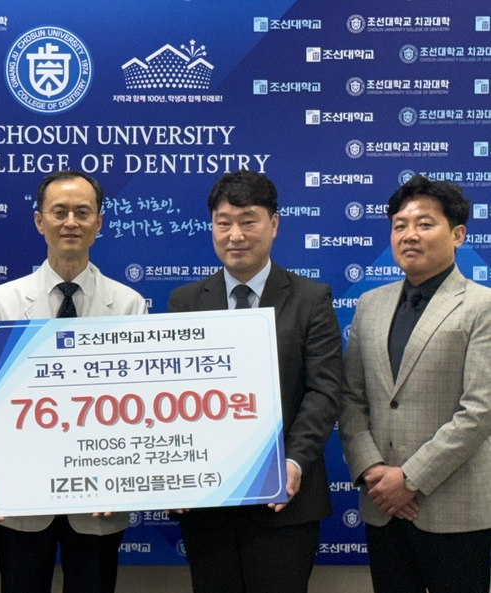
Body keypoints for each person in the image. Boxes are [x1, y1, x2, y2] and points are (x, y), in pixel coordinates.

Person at [166, 170, 342, 593]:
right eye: (223, 223)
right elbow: (169, 397)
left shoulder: (310, 299)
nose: (235, 235)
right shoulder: (184, 302)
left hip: (284, 503)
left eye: (248, 221)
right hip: (207, 505)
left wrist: (292, 463)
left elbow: (324, 391)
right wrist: (172, 470)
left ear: (274, 224)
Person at [0, 170, 147, 593]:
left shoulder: (127, 305)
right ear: (39, 221)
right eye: (59, 212)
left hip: (100, 495)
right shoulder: (4, 301)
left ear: (99, 222)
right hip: (22, 490)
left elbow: (138, 405)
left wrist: (125, 477)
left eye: (82, 212)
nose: (71, 222)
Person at [339, 175, 491, 593]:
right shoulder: (370, 304)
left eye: (425, 224)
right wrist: (373, 472)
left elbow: (479, 411)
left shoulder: (482, 306)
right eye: (400, 225)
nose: (409, 235)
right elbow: (351, 399)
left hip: (455, 510)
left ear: (457, 234)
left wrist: (408, 479)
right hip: (382, 508)